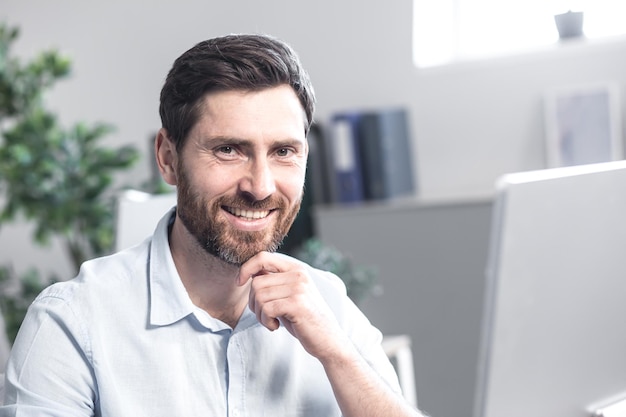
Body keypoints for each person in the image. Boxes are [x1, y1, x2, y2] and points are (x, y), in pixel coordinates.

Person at [0, 34, 425, 417]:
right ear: (167, 157)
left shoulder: (328, 305)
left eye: (283, 151)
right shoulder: (72, 321)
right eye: (228, 150)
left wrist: (338, 356)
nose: (260, 186)